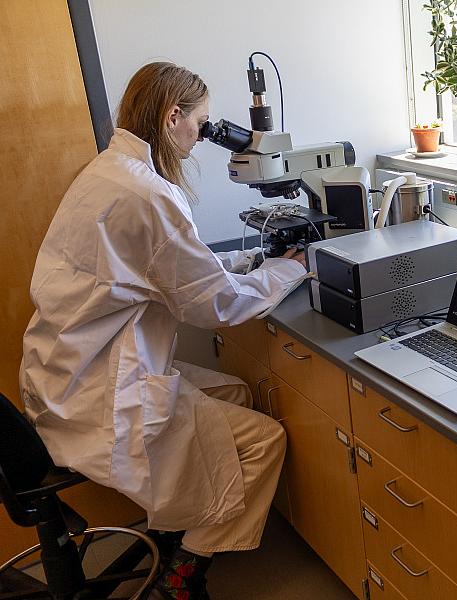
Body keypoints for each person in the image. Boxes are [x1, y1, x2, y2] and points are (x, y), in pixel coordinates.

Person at [19, 62, 304, 599]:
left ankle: (191, 518)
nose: (202, 137)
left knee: (237, 391)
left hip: (62, 375)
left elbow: (161, 269)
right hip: (102, 396)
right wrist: (291, 268)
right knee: (266, 440)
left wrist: (251, 258)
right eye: (201, 123)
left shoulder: (106, 171)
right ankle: (184, 569)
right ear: (173, 116)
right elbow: (213, 303)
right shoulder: (148, 194)